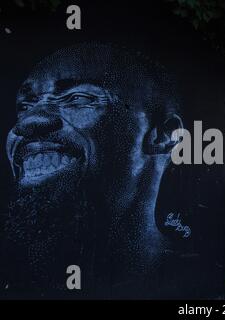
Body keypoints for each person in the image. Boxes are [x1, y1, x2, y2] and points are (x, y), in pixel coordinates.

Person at [2, 43, 183, 298]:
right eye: (25, 105)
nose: (28, 121)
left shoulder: (188, 274)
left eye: (78, 99)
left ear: (164, 136)